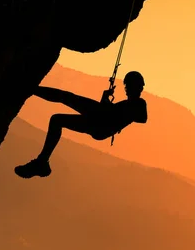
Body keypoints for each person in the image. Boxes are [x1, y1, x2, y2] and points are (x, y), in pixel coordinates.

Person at [14, 71, 148, 179]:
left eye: (129, 86)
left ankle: (29, 89)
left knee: (66, 98)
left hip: (101, 123)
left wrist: (111, 107)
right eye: (127, 86)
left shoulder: (139, 104)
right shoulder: (127, 104)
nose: (127, 89)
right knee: (57, 118)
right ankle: (42, 161)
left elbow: (142, 118)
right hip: (100, 121)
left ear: (137, 87)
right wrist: (106, 99)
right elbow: (114, 113)